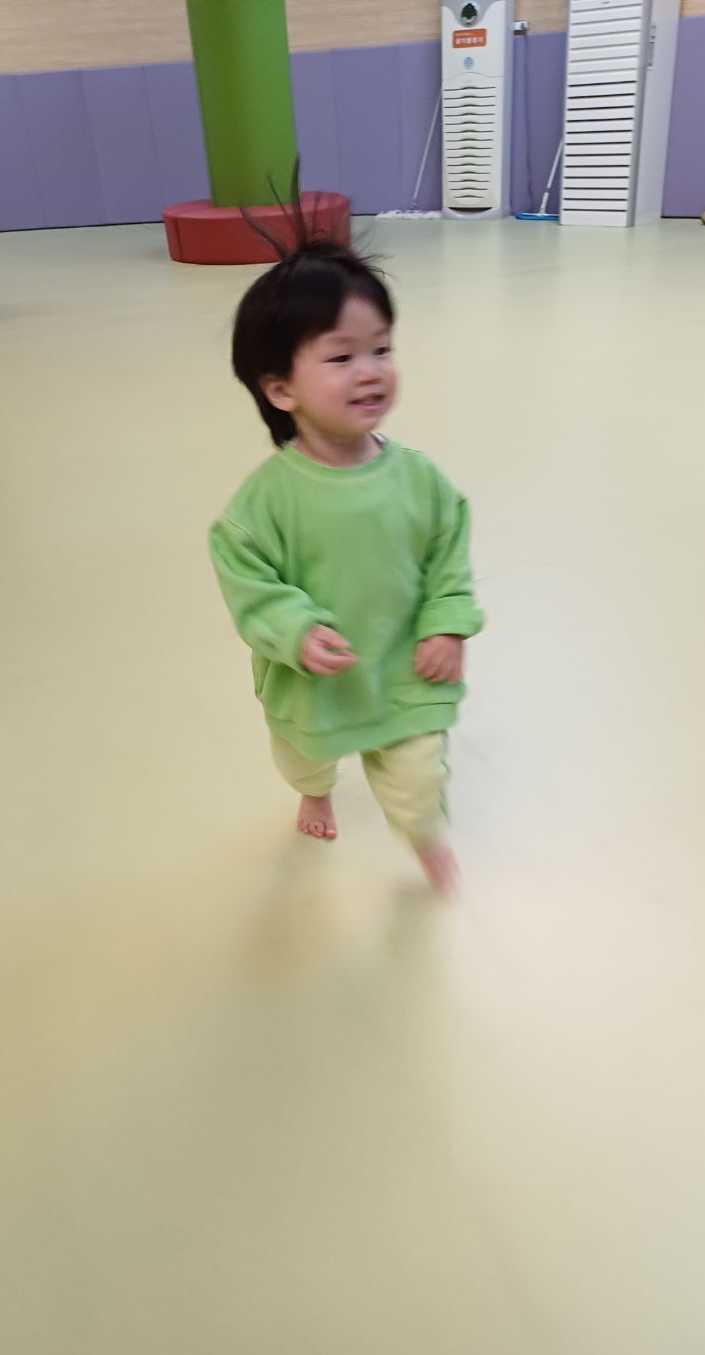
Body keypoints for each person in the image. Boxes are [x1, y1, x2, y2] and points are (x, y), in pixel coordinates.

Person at [209, 238, 484, 892]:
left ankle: (424, 834)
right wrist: (295, 628)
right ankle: (316, 791)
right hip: (316, 678)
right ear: (280, 389)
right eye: (341, 357)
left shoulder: (419, 478)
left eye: (381, 349)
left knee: (419, 775)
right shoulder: (266, 502)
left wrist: (447, 621)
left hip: (404, 665)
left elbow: (448, 547)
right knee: (303, 757)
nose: (370, 371)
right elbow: (246, 572)